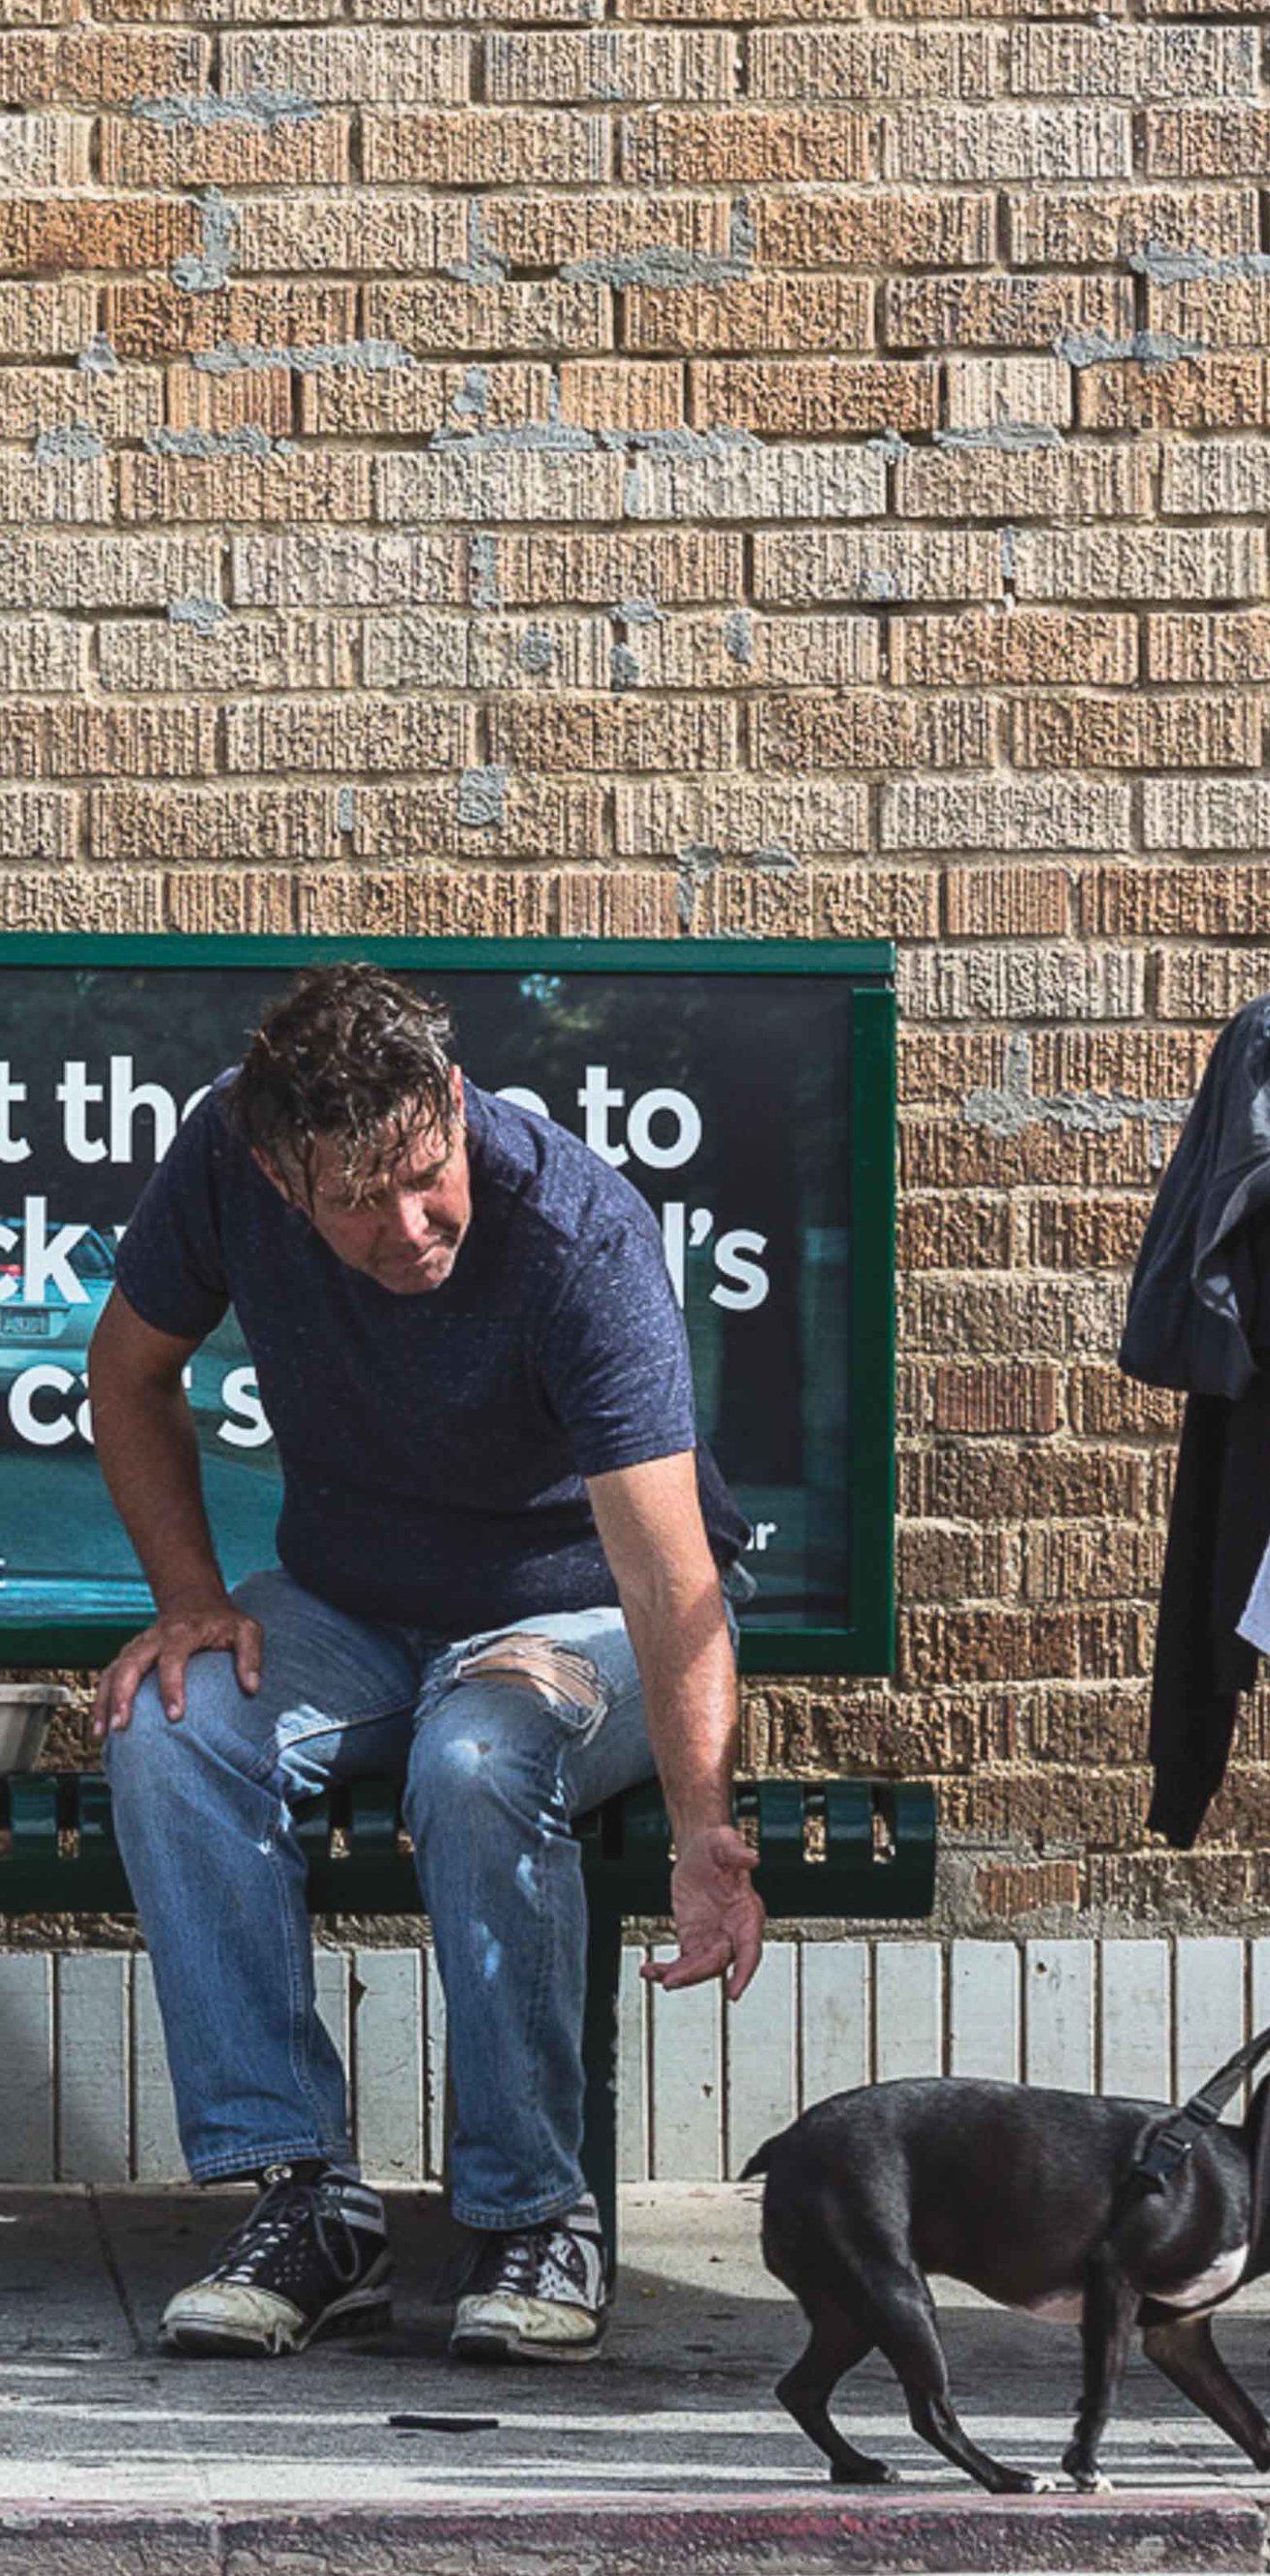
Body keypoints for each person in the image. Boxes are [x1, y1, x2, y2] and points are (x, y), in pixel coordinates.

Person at [91, 964, 767, 2365]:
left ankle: (534, 2213)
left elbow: (664, 1572)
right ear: (280, 1180)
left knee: (480, 1752)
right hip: (354, 1606)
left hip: (582, 1615)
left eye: (423, 1173)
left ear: (453, 1105)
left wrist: (708, 1832)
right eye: (355, 1200)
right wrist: (188, 1598)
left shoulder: (577, 1228)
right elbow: (126, 1370)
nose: (407, 1225)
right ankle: (308, 2201)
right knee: (170, 1726)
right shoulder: (223, 1154)